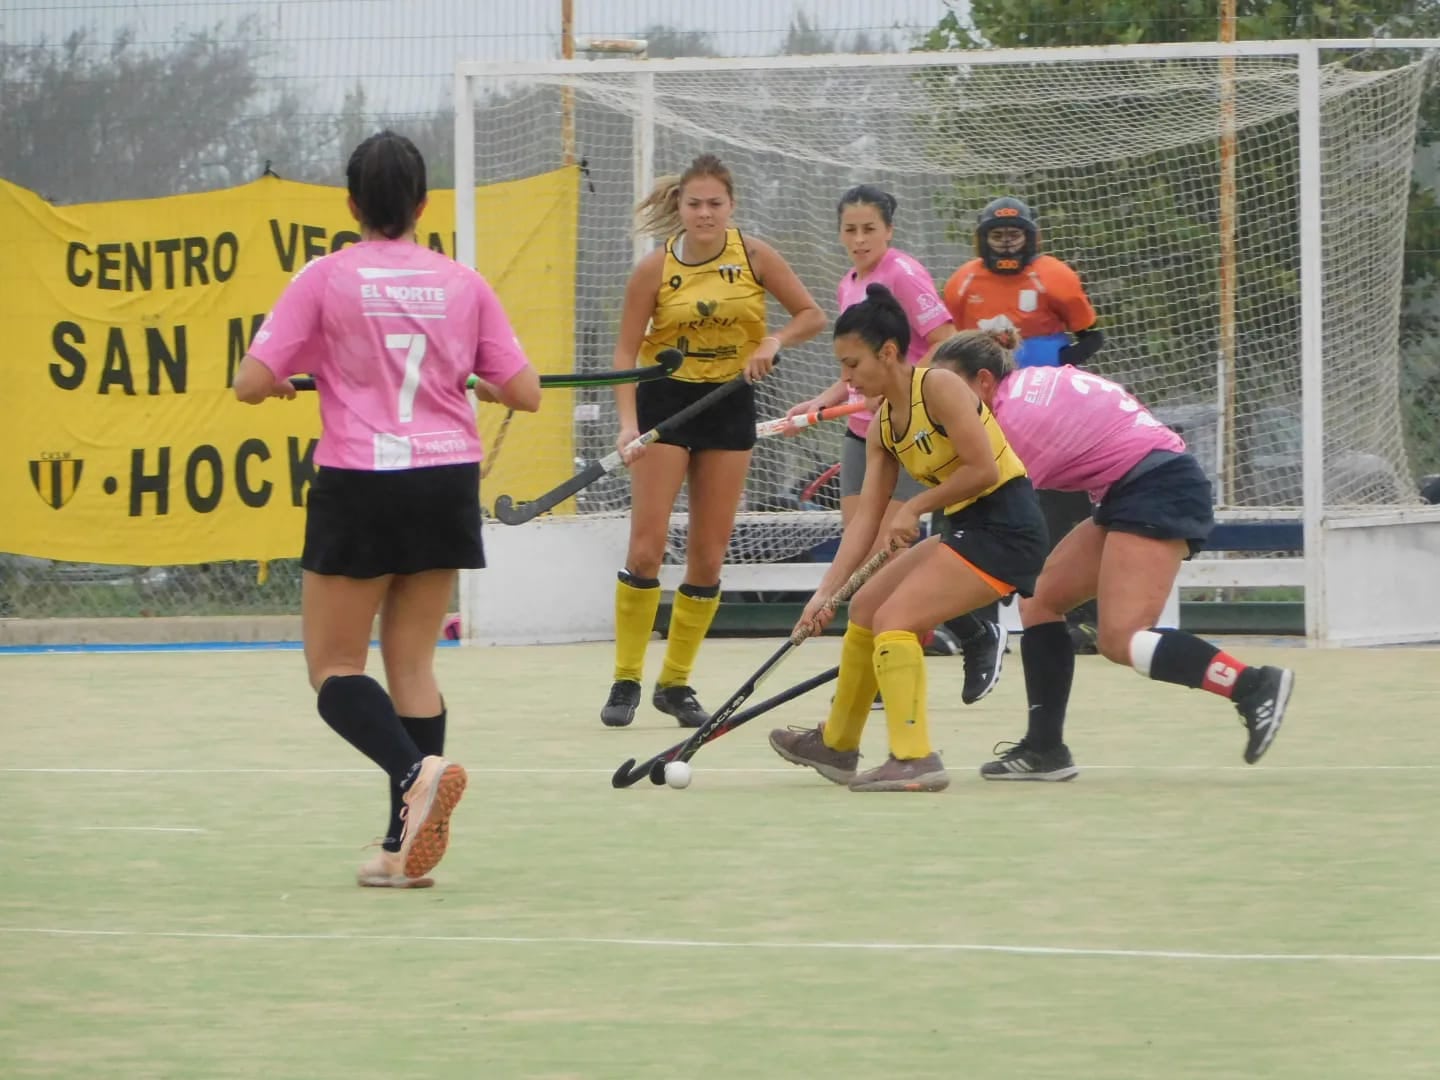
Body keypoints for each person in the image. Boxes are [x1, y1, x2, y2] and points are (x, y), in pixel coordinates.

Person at [235, 131, 541, 887]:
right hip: (445, 478)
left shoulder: (325, 276)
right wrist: (489, 385)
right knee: (411, 663)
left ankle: (414, 777)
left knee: (334, 668)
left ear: (351, 205)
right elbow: (526, 392)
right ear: (422, 205)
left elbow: (249, 380)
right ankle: (402, 848)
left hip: (363, 481)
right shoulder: (462, 282)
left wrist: (279, 382)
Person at [930, 329, 1294, 779]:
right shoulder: (1023, 387)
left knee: (1121, 639)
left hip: (1158, 488)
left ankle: (1253, 685)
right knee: (1041, 599)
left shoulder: (1014, 424)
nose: (937, 406)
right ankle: (1045, 749)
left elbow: (995, 517)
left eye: (944, 391)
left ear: (984, 382)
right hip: (1132, 488)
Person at [767, 284, 1048, 792]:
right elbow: (864, 527)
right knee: (866, 609)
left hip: (1007, 527)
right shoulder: (882, 428)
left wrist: (916, 505)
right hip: (963, 528)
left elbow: (983, 468)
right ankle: (838, 744)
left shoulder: (939, 386)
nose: (846, 380)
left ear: (890, 353)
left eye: (852, 365)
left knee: (897, 620)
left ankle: (914, 758)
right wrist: (825, 594)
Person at [600, 154, 825, 729]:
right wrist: (628, 424)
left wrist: (774, 340)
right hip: (667, 404)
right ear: (679, 206)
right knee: (647, 548)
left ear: (731, 206)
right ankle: (626, 678)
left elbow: (811, 315)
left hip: (729, 405)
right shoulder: (654, 269)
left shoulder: (754, 256)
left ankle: (674, 684)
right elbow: (625, 353)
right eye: (694, 203)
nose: (704, 213)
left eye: (714, 204)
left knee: (707, 555)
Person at [783, 188, 1006, 706]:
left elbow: (949, 344)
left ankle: (943, 638)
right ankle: (925, 641)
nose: (859, 240)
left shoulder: (904, 275)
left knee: (887, 549)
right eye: (850, 230)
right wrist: (821, 400)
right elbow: (856, 368)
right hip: (866, 431)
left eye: (869, 230)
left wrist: (927, 405)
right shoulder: (847, 284)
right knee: (858, 549)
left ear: (888, 231)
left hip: (911, 430)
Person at [942, 196, 1107, 655]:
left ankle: (1081, 622)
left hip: (1050, 415)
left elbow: (1091, 336)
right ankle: (973, 626)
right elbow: (953, 345)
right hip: (987, 419)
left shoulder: (1055, 276)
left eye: (1014, 235)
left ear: (1031, 238)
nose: (1007, 243)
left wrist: (1056, 366)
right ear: (983, 240)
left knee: (1062, 510)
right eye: (998, 236)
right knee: (980, 505)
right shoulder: (961, 283)